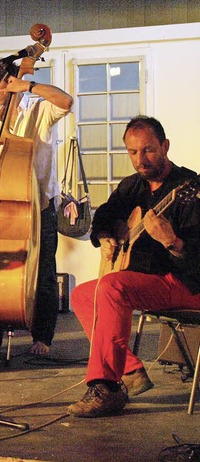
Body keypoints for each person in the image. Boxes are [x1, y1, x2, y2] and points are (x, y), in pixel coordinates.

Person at [67, 116, 200, 418]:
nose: (140, 160)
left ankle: (107, 387)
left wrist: (173, 242)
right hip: (146, 280)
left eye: (148, 150)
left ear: (165, 146)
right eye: (132, 152)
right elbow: (101, 219)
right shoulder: (131, 187)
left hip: (185, 282)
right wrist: (105, 237)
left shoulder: (191, 190)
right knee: (83, 295)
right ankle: (130, 371)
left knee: (113, 287)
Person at [0, 58, 73, 356]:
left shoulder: (39, 109)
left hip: (40, 206)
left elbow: (66, 101)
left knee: (44, 274)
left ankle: (43, 337)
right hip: (4, 209)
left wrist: (28, 84)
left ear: (8, 82)